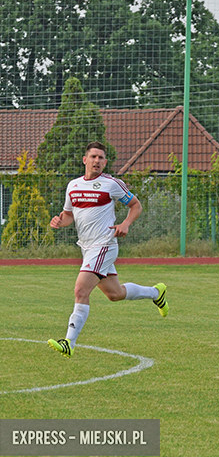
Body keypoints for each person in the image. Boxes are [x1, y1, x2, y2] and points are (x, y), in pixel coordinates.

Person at [47, 141, 168, 358]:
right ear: (85, 159)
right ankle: (156, 293)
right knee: (115, 294)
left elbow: (136, 205)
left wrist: (125, 224)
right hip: (86, 248)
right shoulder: (73, 186)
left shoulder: (111, 184)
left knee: (81, 290)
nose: (97, 161)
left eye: (101, 158)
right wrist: (59, 221)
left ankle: (69, 342)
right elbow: (69, 215)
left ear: (105, 162)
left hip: (104, 245)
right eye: (93, 157)